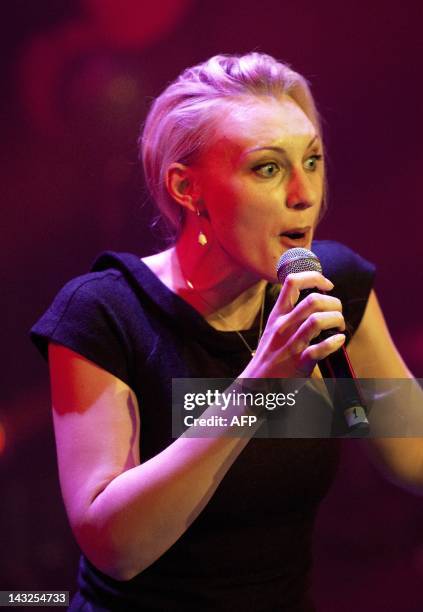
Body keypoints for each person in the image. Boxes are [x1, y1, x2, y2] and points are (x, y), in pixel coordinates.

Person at [30, 52, 420, 611]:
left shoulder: (332, 286)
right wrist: (260, 384)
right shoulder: (105, 312)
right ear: (188, 189)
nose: (303, 193)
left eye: (311, 160)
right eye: (268, 168)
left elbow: (413, 457)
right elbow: (115, 547)